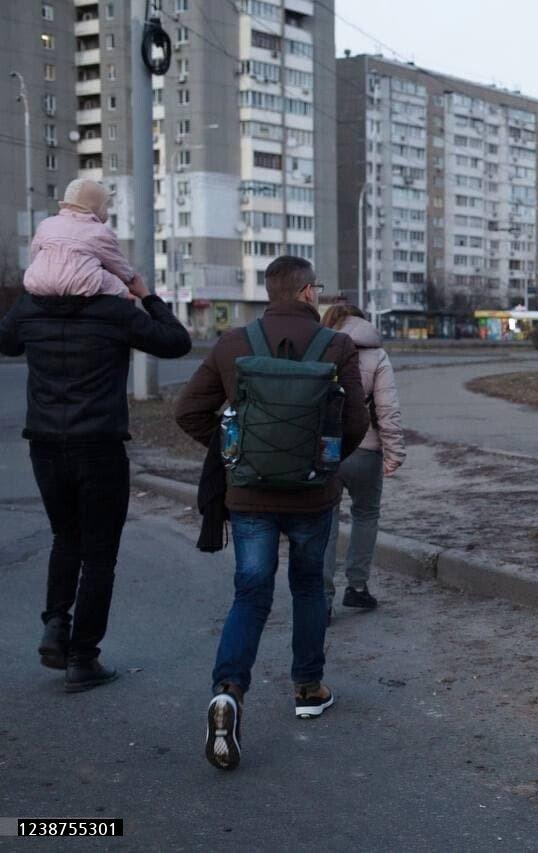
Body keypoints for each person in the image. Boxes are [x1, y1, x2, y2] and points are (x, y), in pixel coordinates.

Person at [175, 256, 369, 772]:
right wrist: (323, 461)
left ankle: (228, 692)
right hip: (312, 496)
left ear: (270, 292)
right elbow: (355, 422)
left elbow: (187, 411)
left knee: (251, 592)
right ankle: (307, 688)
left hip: (249, 497)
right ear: (308, 292)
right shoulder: (337, 345)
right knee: (308, 587)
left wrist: (232, 452)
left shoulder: (233, 345)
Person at [0, 260, 191, 691]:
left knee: (65, 537)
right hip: (99, 447)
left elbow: (7, 342)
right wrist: (145, 295)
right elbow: (177, 342)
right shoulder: (114, 311)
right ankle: (83, 657)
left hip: (45, 445)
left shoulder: (32, 307)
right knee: (100, 554)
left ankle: (55, 625)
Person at [319, 303, 405, 617]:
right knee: (366, 515)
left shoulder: (319, 349)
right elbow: (387, 410)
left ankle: (322, 599)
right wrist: (394, 453)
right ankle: (357, 587)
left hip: (325, 451)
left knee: (325, 522)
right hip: (366, 451)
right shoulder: (377, 356)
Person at [23, 179, 134, 299]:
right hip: (81, 282)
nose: (107, 209)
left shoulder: (46, 223)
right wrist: (128, 279)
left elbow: (34, 255)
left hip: (38, 281)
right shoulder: (99, 231)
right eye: (105, 205)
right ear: (97, 206)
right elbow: (119, 267)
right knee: (120, 288)